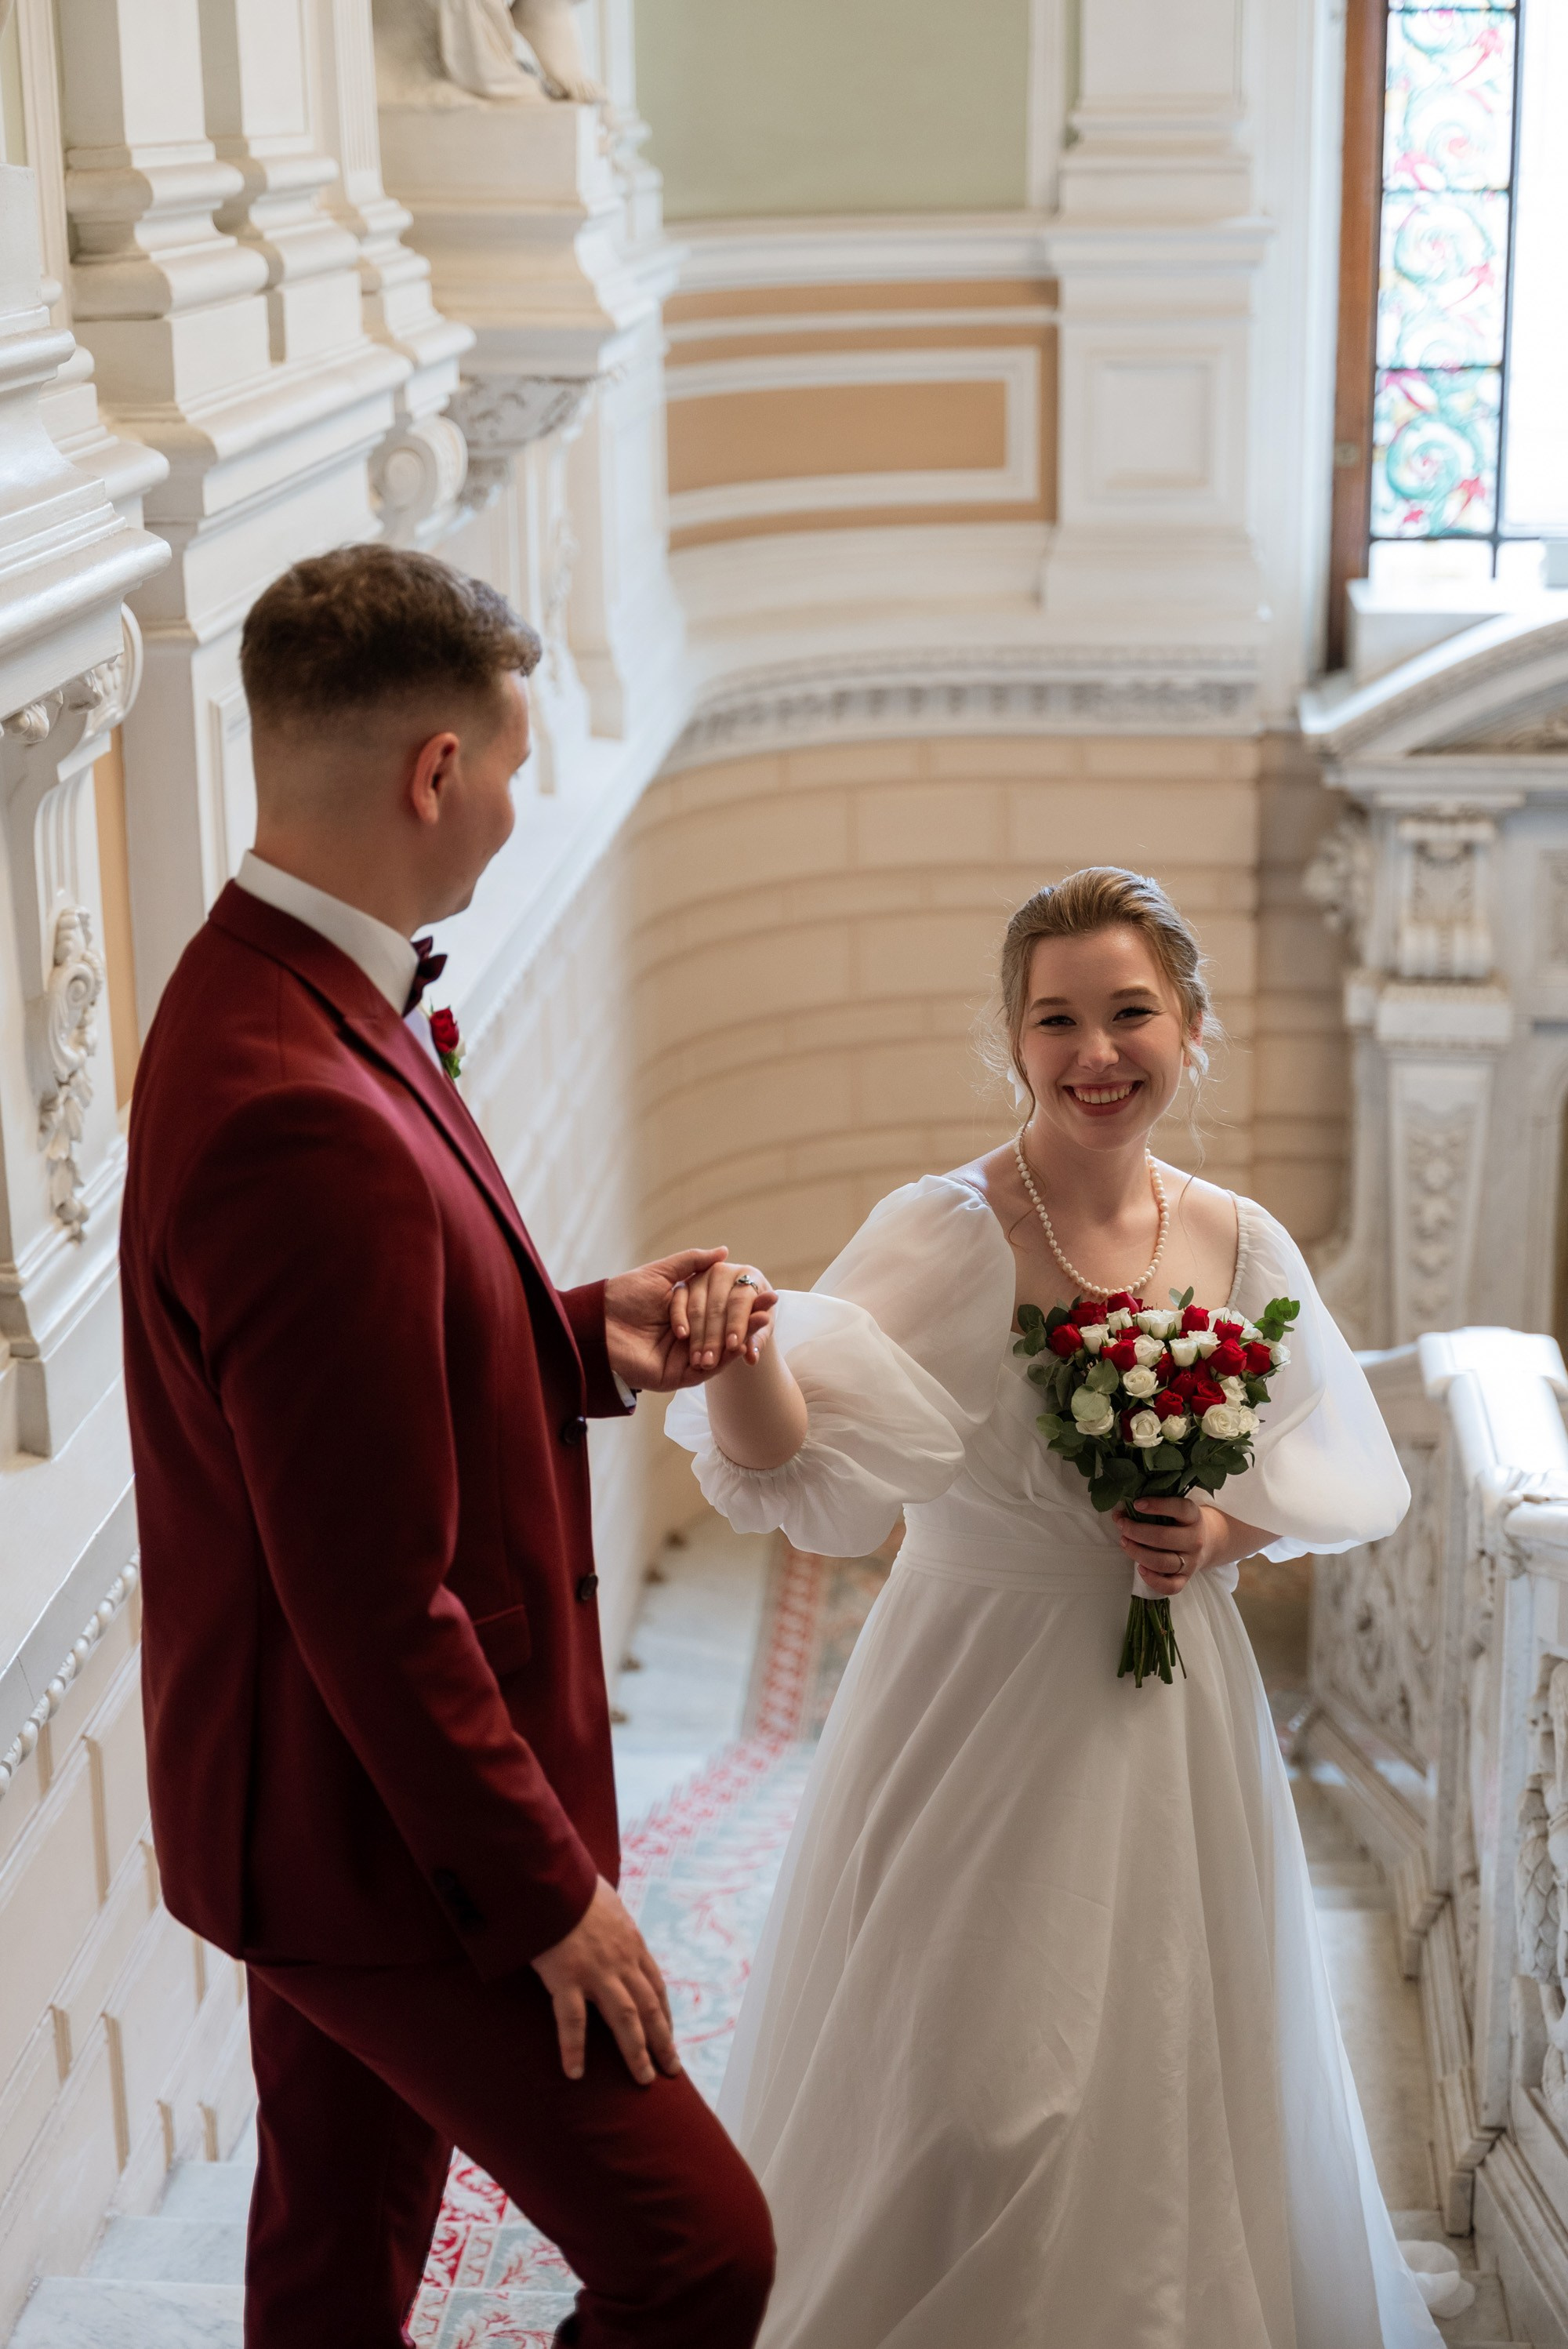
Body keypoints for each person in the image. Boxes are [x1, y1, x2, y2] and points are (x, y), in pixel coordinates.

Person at [118, 546, 776, 2349]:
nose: (511, 796)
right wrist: (548, 1895)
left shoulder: (255, 983)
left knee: (333, 2260)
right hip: (381, 1841)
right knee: (698, 2253)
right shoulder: (296, 1106)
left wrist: (576, 1336)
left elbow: (324, 1411)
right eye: (507, 758)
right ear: (434, 769)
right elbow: (366, 1589)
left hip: (315, 1815)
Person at [666, 866, 1449, 2348]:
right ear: (1015, 1045)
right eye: (1058, 1021)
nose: (1098, 1052)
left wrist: (1220, 1527)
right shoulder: (951, 1227)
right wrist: (744, 1345)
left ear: (1193, 1030)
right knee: (973, 2096)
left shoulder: (1237, 1239)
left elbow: (1343, 1466)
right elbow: (798, 1473)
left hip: (1166, 1713)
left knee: (1163, 2060)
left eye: (1131, 1013)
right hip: (969, 1691)